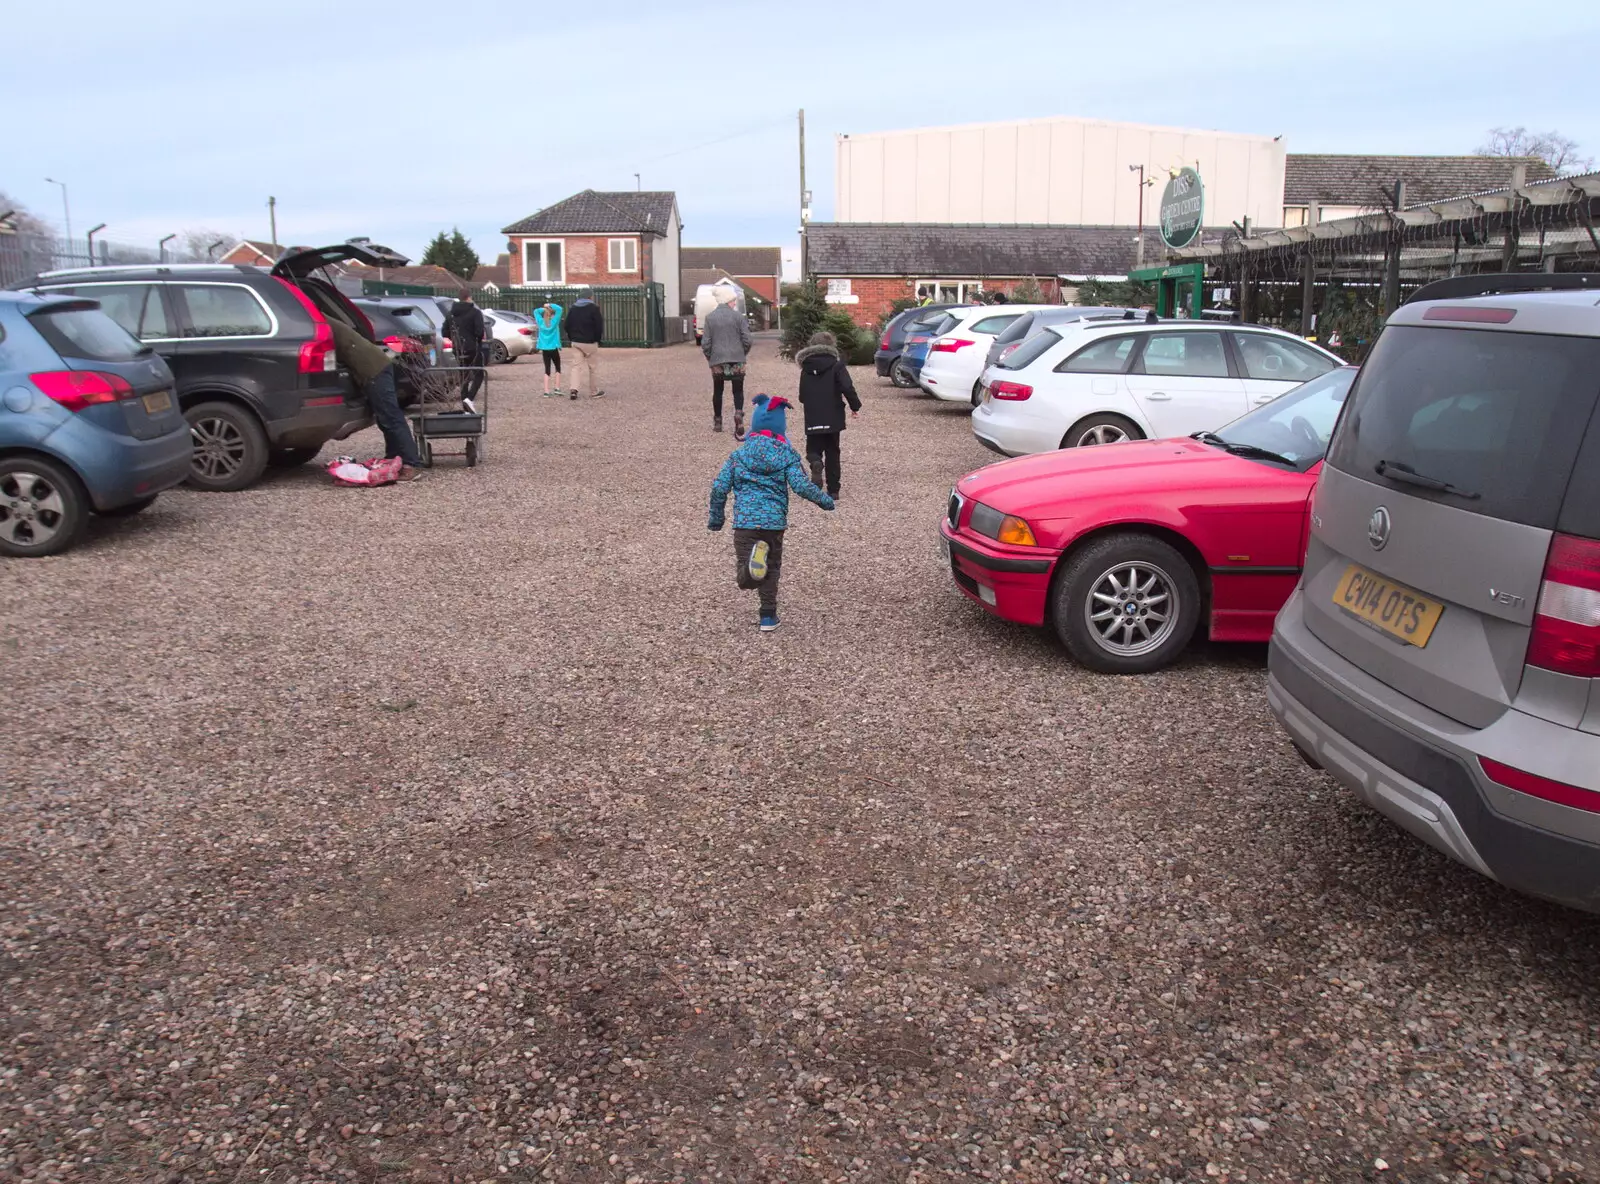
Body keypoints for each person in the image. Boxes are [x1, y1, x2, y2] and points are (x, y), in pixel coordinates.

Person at [708, 395, 833, 632]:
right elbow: (801, 486)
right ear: (780, 426)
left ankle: (750, 573)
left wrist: (716, 519)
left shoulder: (738, 456)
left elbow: (719, 488)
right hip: (773, 524)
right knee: (771, 568)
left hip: (745, 523)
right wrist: (825, 501)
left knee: (747, 573)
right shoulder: (787, 456)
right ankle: (768, 616)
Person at [328, 319, 425, 481]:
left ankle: (412, 463)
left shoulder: (321, 324)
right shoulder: (330, 321)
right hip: (378, 364)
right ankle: (394, 458)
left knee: (391, 416)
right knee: (385, 418)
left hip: (373, 370)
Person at [794, 330, 861, 500]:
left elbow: (802, 396)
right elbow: (847, 387)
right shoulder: (837, 365)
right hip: (833, 415)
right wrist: (855, 406)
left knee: (812, 449)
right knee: (833, 451)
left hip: (813, 416)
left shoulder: (806, 368)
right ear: (831, 346)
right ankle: (833, 490)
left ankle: (816, 463)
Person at [701, 286, 752, 437]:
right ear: (728, 300)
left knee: (718, 391)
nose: (734, 303)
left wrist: (710, 357)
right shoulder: (738, 317)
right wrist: (742, 353)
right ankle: (738, 415)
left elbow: (706, 343)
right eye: (733, 300)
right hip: (737, 359)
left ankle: (718, 421)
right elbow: (748, 339)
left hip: (717, 360)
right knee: (738, 390)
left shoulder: (710, 318)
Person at [447, 291, 487, 406]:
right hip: (472, 347)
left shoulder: (451, 314)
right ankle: (469, 398)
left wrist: (454, 339)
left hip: (458, 347)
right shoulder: (475, 313)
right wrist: (477, 340)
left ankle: (464, 399)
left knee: (463, 374)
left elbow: (445, 331)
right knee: (478, 374)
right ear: (469, 298)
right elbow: (479, 332)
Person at [566, 291, 605, 398]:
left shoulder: (572, 308)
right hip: (590, 342)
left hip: (576, 341)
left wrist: (571, 337)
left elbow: (566, 325)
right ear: (590, 297)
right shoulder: (594, 308)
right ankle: (594, 391)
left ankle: (574, 389)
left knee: (576, 366)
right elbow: (599, 326)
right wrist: (597, 339)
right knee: (592, 368)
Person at [533, 299, 565, 397]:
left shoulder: (540, 322)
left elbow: (536, 311)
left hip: (544, 348)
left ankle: (546, 391)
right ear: (552, 314)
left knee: (547, 368)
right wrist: (549, 305)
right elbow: (559, 309)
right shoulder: (554, 321)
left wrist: (544, 308)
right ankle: (557, 388)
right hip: (554, 347)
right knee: (558, 367)